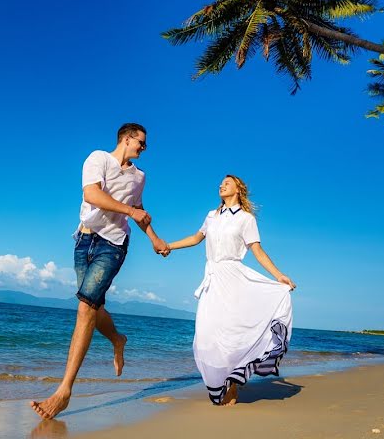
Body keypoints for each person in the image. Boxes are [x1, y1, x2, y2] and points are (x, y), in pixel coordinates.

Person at [30, 123, 170, 419]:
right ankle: (118, 339)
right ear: (127, 138)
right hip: (84, 240)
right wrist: (131, 212)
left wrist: (154, 238)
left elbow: (139, 208)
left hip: (114, 244)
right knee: (92, 305)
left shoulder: (140, 176)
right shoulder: (98, 159)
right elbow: (92, 195)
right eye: (141, 142)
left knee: (85, 308)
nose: (144, 148)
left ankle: (64, 391)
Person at [167, 175, 295, 406]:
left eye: (227, 182)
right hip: (213, 279)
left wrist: (279, 276)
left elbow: (257, 251)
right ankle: (222, 380)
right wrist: (169, 246)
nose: (221, 185)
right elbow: (197, 238)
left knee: (231, 332)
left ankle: (233, 385)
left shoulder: (246, 219)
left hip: (234, 278)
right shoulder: (211, 216)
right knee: (206, 333)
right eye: (220, 183)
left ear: (238, 189)